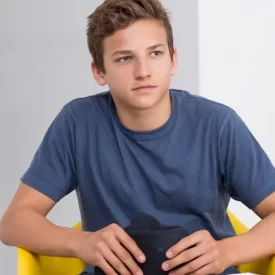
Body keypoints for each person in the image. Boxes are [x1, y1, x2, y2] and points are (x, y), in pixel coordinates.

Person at [1, 0, 275, 274]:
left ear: (173, 60)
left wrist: (226, 251)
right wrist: (82, 243)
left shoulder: (218, 125)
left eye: (155, 53)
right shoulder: (78, 123)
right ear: (99, 71)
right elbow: (14, 223)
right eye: (124, 58)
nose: (143, 71)